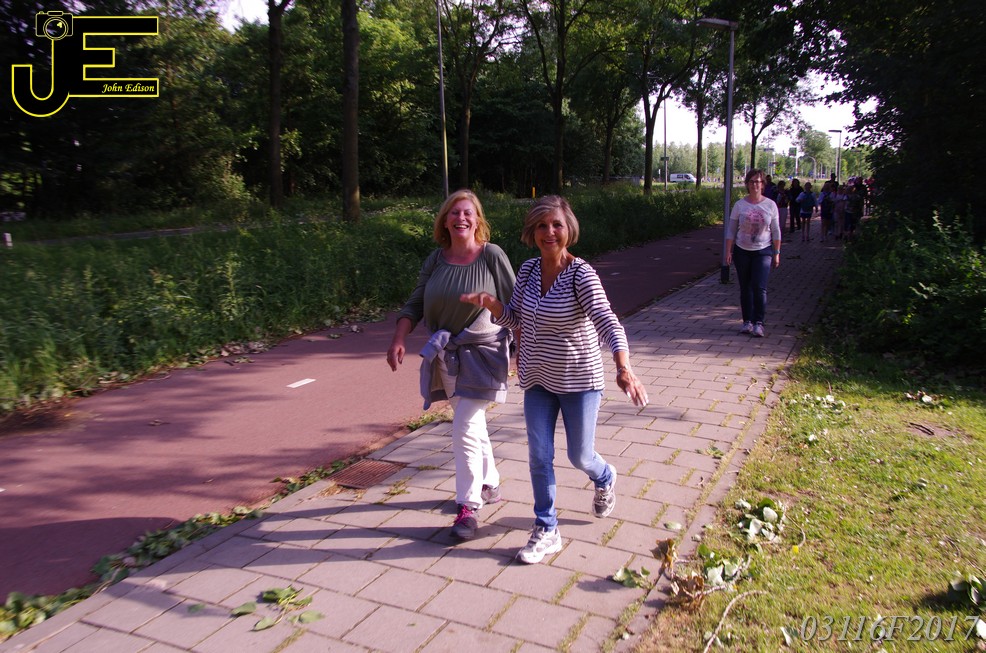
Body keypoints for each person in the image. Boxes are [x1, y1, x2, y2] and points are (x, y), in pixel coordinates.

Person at [460, 195, 649, 565]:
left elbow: (607, 322)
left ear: (568, 230)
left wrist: (623, 367)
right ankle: (547, 528)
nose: (549, 232)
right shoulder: (529, 271)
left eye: (556, 225)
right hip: (538, 379)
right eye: (542, 226)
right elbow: (517, 319)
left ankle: (605, 477)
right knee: (539, 456)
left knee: (580, 456)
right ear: (532, 232)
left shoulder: (581, 275)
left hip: (579, 380)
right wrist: (493, 305)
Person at [387, 189, 516, 541]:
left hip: (484, 353)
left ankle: (468, 506)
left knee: (464, 425)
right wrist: (399, 337)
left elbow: (515, 306)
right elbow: (415, 302)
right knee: (470, 422)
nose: (461, 218)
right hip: (448, 354)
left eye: (468, 212)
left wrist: (523, 351)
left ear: (478, 220)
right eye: (454, 213)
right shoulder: (436, 260)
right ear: (445, 221)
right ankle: (490, 483)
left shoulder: (491, 255)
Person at [725, 169, 782, 338]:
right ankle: (747, 321)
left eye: (758, 182)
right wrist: (728, 251)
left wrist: (776, 252)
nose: (755, 185)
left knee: (759, 287)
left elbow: (776, 231)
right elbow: (731, 230)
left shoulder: (770, 205)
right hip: (742, 251)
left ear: (763, 184)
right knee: (745, 288)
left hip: (763, 251)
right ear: (747, 184)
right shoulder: (739, 205)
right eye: (751, 182)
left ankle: (759, 323)